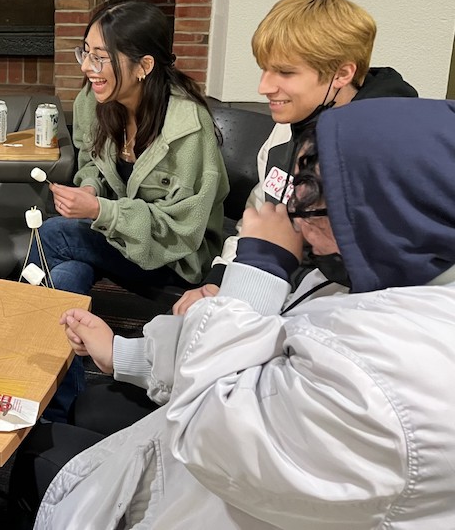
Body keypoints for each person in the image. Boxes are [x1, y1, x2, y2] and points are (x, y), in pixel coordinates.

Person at [22, 98, 455, 529]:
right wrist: (124, 353)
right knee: (69, 272)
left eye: (314, 191)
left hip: (208, 473)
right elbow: (264, 356)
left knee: (39, 462)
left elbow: (211, 430)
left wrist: (258, 270)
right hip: (205, 467)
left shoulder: (397, 370)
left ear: (388, 209)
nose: (294, 214)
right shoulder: (365, 281)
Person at [176, 0, 416, 312]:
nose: (264, 87)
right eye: (264, 69)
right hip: (273, 290)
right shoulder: (287, 131)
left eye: (285, 72)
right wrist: (221, 279)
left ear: (342, 73)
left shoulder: (389, 149)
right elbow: (263, 211)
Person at [29, 0, 228, 296]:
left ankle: (15, 321)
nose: (86, 67)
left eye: (100, 57)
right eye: (85, 52)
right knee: (68, 270)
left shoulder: (187, 127)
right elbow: (91, 164)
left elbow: (182, 230)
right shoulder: (94, 102)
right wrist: (91, 190)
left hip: (172, 258)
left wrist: (101, 210)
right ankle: (49, 338)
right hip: (115, 240)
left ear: (143, 66)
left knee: (55, 235)